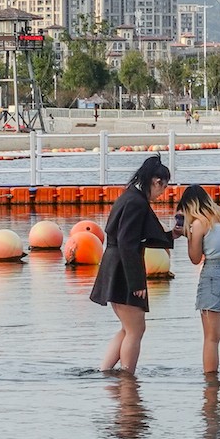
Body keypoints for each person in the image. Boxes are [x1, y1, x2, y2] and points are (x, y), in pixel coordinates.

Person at [90, 155, 175, 375]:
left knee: (128, 328)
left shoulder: (130, 196)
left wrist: (172, 235)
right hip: (123, 268)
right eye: (164, 187)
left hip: (115, 264)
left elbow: (138, 237)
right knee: (136, 329)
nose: (163, 192)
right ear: (156, 181)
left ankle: (106, 372)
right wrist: (136, 282)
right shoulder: (136, 202)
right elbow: (128, 243)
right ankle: (128, 378)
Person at [179, 183, 220, 375]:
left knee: (211, 339)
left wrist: (189, 235)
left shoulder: (199, 224)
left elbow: (195, 259)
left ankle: (210, 385)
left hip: (214, 277)